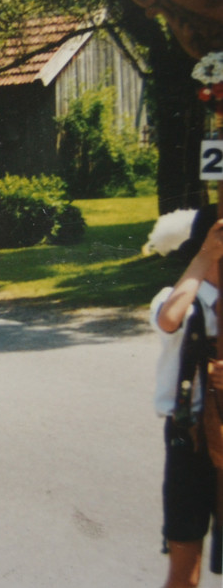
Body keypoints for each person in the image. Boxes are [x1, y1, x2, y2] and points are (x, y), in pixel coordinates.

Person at [148, 207, 223, 587]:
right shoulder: (176, 297)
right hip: (189, 439)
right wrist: (205, 257)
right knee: (185, 565)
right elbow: (168, 319)